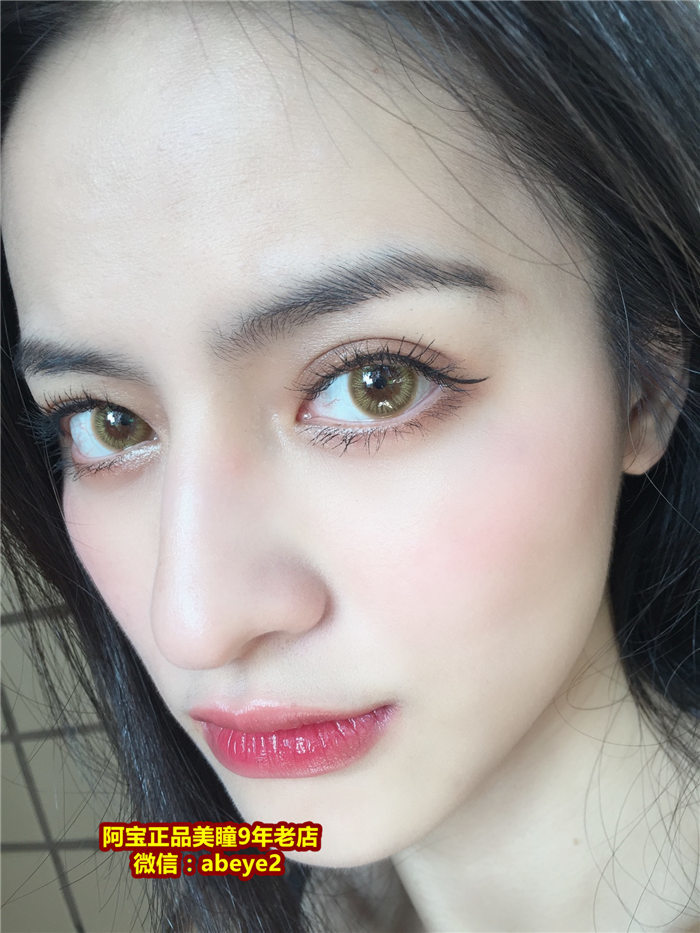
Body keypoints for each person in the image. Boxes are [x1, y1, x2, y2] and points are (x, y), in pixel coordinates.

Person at [2, 1, 698, 930]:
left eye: (376, 384)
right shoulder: (234, 885)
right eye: (109, 423)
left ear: (646, 385)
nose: (196, 622)